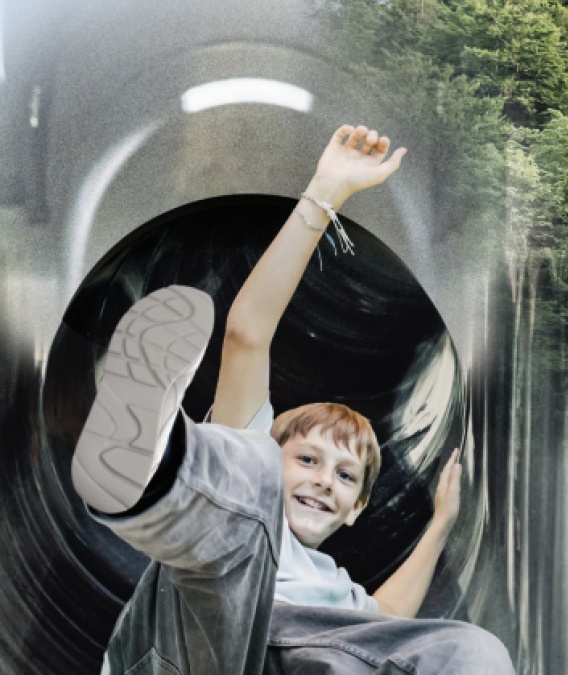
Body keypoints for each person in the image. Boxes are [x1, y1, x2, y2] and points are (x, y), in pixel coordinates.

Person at [70, 125, 513, 674]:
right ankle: (154, 471)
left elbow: (391, 619)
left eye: (345, 476)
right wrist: (326, 192)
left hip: (304, 657)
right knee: (239, 488)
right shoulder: (248, 510)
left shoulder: (342, 598)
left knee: (472, 650)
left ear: (356, 510)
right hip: (187, 646)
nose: (325, 480)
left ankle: (159, 468)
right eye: (306, 459)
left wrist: (443, 521)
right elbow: (247, 332)